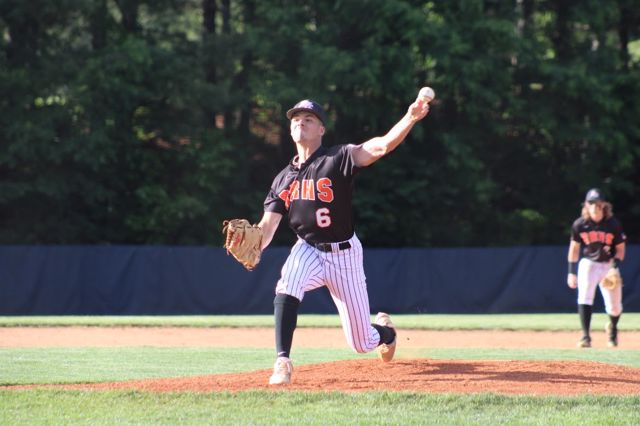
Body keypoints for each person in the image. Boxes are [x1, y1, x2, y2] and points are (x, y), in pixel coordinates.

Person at [256, 94, 430, 384]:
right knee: (288, 284)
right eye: (296, 119)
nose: (300, 123)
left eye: (309, 119)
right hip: (308, 248)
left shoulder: (338, 158)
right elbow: (267, 226)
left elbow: (381, 146)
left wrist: (410, 117)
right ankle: (282, 362)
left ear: (321, 129)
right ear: (290, 129)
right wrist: (254, 246)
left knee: (362, 343)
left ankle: (387, 333)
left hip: (344, 255)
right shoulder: (283, 178)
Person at [567, 188, 627, 348]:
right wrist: (571, 272)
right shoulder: (580, 224)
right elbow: (574, 249)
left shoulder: (613, 224)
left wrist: (614, 267)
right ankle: (586, 336)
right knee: (584, 297)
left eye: (598, 203)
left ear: (604, 205)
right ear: (586, 205)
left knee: (615, 307)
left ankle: (613, 329)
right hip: (589, 264)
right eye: (591, 203)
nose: (595, 206)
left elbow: (620, 250)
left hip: (609, 265)